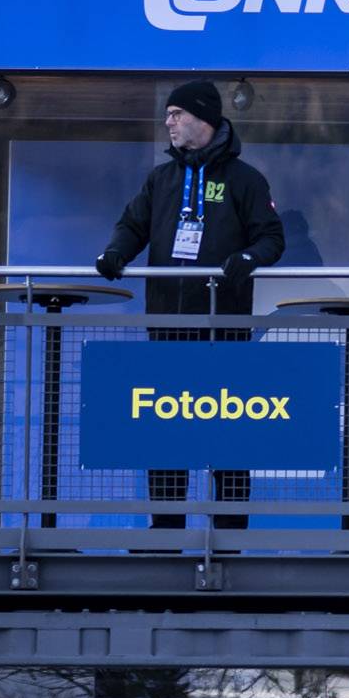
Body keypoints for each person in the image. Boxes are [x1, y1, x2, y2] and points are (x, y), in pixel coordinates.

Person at [93, 78, 289, 529]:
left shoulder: (246, 179)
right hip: (167, 330)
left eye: (177, 114)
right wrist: (116, 252)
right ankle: (165, 533)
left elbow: (271, 238)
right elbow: (132, 225)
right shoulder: (161, 178)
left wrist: (247, 257)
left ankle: (229, 536)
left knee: (228, 437)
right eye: (168, 115)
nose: (169, 122)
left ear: (203, 118)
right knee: (166, 436)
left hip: (225, 332)